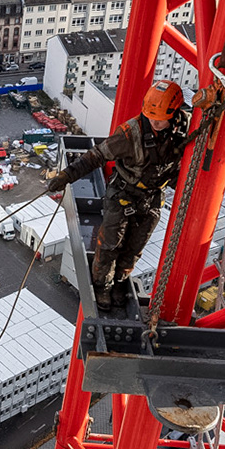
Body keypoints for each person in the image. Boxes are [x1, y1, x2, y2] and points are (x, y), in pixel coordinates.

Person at [47, 81, 191, 309]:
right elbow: (96, 156)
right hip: (123, 194)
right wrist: (66, 176)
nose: (154, 121)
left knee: (135, 248)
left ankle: (120, 284)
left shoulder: (183, 129)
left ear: (174, 114)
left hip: (151, 197)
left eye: (160, 118)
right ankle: (103, 287)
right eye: (151, 117)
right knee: (109, 246)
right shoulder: (129, 134)